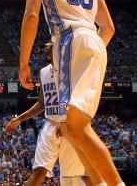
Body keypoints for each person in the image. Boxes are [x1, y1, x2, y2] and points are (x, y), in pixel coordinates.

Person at [19, 0, 120, 186]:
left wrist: (23, 63)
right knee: (72, 128)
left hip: (69, 39)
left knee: (74, 127)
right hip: (95, 42)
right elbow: (109, 28)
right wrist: (91, 50)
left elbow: (32, 16)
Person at [6, 42, 91, 186]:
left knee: (78, 175)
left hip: (71, 125)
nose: (47, 44)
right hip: (51, 123)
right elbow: (41, 103)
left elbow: (81, 97)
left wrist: (67, 121)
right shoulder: (44, 72)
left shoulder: (71, 68)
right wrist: (19, 119)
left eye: (52, 42)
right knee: (39, 170)